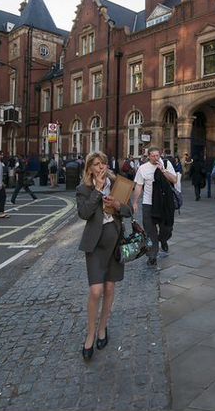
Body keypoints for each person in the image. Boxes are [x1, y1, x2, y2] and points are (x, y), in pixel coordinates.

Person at [76, 151, 132, 361]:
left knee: (109, 287)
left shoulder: (117, 184)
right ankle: (90, 334)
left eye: (103, 164)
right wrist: (98, 191)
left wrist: (118, 205)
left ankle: (102, 328)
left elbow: (127, 211)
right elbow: (84, 213)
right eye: (96, 164)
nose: (101, 168)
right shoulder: (84, 189)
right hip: (96, 246)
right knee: (96, 291)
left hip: (115, 243)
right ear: (89, 168)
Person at [132, 146, 177, 265]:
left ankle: (163, 239)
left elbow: (174, 180)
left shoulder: (166, 164)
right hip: (148, 203)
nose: (156, 158)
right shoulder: (142, 168)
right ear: (148, 156)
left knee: (166, 228)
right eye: (153, 156)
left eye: (157, 155)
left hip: (164, 204)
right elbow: (138, 186)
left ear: (160, 155)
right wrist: (135, 202)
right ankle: (152, 255)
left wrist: (163, 170)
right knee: (150, 231)